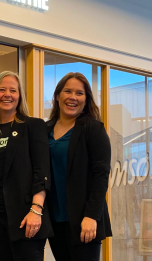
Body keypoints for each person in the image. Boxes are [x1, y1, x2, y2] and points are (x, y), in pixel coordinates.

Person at [0, 71, 52, 261]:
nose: (7, 94)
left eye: (13, 90)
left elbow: (41, 171)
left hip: (25, 218)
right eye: (2, 90)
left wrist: (36, 210)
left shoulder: (33, 126)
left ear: (20, 96)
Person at [46, 72, 112, 261]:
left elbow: (101, 176)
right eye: (67, 91)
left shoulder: (93, 129)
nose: (73, 97)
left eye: (79, 93)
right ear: (57, 96)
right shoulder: (45, 130)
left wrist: (92, 216)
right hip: (55, 220)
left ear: (86, 99)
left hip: (84, 221)